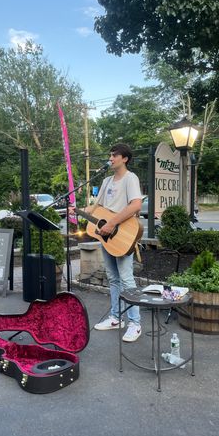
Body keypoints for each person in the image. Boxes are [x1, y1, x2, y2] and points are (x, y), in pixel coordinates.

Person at [75, 143, 143, 342]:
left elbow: (136, 205)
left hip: (123, 234)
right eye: (110, 155)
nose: (110, 158)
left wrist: (111, 223)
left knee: (126, 279)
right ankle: (115, 318)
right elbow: (98, 207)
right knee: (113, 278)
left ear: (125, 159)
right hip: (107, 237)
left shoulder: (131, 179)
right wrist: (80, 210)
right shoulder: (106, 181)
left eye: (114, 155)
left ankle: (135, 323)